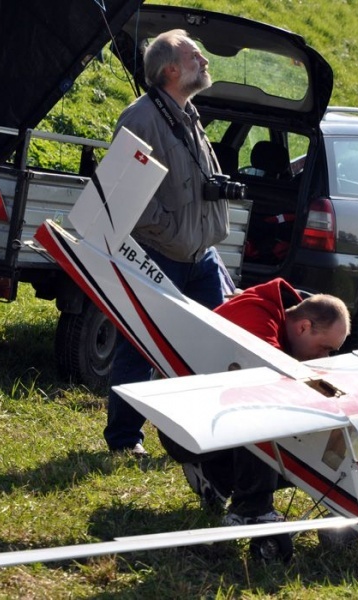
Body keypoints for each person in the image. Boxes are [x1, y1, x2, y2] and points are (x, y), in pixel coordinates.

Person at [104, 29, 230, 456]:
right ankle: (124, 440)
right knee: (139, 347)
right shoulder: (140, 118)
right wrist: (170, 230)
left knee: (211, 349)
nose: (205, 62)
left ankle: (196, 436)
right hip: (160, 254)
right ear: (171, 70)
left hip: (201, 257)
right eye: (196, 56)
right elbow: (122, 193)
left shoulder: (188, 113)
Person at [159, 278, 351, 525]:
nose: (324, 357)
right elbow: (270, 385)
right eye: (325, 348)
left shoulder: (281, 322)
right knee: (267, 411)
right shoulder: (258, 318)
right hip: (180, 428)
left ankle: (216, 476)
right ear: (303, 327)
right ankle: (251, 510)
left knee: (308, 446)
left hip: (207, 418)